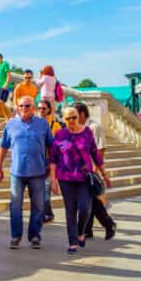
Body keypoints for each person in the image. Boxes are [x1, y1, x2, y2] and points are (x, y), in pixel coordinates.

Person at [0, 96, 53, 249]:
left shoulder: (43, 124)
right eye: (21, 106)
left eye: (27, 106)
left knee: (38, 206)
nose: (24, 109)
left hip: (38, 171)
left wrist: (50, 164)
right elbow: (4, 146)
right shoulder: (10, 125)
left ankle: (34, 236)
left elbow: (51, 146)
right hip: (17, 172)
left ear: (33, 108)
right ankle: (16, 236)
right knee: (15, 206)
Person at [50, 106, 107, 253]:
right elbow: (53, 159)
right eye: (68, 118)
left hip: (84, 177)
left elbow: (95, 153)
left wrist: (104, 173)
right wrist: (53, 180)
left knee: (85, 207)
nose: (71, 120)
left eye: (74, 117)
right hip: (65, 178)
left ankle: (81, 232)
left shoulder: (87, 132)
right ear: (64, 119)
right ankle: (73, 242)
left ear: (78, 117)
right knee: (70, 209)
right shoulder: (60, 134)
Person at [78, 102, 116, 240]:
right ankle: (89, 228)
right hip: (79, 170)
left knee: (91, 199)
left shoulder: (94, 127)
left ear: (82, 113)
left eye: (75, 115)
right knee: (87, 199)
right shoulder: (77, 128)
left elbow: (101, 149)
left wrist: (95, 169)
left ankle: (107, 224)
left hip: (90, 170)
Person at [37, 98, 62, 222]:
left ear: (49, 110)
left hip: (49, 161)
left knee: (46, 188)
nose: (41, 111)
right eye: (39, 108)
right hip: (37, 161)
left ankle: (45, 214)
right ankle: (48, 213)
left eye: (44, 108)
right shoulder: (34, 124)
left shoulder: (55, 125)